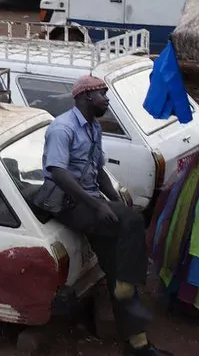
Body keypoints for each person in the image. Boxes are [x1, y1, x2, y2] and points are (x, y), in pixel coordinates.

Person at [33, 74, 168, 356]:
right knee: (132, 223)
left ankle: (137, 344)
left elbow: (99, 171)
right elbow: (57, 172)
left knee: (119, 268)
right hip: (66, 203)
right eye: (102, 94)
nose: (106, 99)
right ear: (84, 97)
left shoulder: (93, 127)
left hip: (89, 202)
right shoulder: (62, 128)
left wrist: (116, 201)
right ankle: (128, 280)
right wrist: (99, 206)